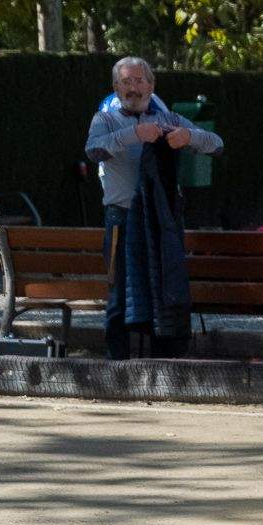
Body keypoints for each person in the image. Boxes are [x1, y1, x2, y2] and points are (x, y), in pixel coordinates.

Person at [85, 56, 225, 359]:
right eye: (126, 82)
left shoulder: (169, 119)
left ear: (151, 85)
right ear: (115, 87)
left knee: (164, 292)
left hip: (161, 223)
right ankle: (116, 366)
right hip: (121, 220)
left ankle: (165, 363)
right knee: (120, 296)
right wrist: (134, 135)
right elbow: (94, 150)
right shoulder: (105, 120)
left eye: (139, 81)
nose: (133, 88)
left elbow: (216, 144)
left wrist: (189, 137)